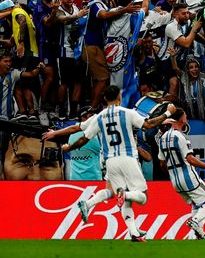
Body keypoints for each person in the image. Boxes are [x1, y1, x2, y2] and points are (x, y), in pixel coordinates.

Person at [62, 85, 173, 242]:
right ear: (119, 97)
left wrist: (69, 147)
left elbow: (83, 138)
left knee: (116, 194)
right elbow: (148, 124)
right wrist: (168, 112)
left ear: (105, 99)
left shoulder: (99, 117)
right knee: (142, 197)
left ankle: (131, 231)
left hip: (111, 161)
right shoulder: (127, 113)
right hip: (127, 158)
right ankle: (124, 195)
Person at [158, 107, 205, 239]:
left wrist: (172, 171)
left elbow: (162, 163)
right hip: (188, 177)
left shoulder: (162, 138)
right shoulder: (181, 136)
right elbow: (189, 158)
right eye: (185, 115)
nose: (187, 118)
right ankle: (195, 221)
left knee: (196, 203)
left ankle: (199, 234)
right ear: (181, 119)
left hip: (174, 180)